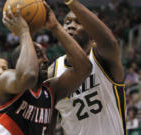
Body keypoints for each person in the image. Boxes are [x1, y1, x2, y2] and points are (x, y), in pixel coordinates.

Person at [0, 4, 91, 135]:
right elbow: (28, 76)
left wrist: (56, 27)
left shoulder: (52, 90)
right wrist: (24, 33)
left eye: (46, 55)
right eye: (38, 55)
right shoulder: (6, 80)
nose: (46, 60)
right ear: (20, 61)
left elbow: (85, 68)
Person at [48, 0, 127, 135]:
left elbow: (110, 43)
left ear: (91, 31)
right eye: (67, 22)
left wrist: (71, 2)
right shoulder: (53, 71)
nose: (71, 26)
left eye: (78, 22)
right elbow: (49, 121)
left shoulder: (101, 57)